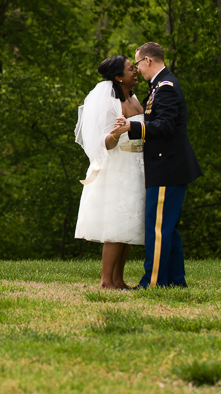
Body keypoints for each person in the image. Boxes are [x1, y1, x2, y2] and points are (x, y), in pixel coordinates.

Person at [111, 42, 201, 288]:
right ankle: (174, 281)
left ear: (148, 61)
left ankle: (153, 283)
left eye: (138, 63)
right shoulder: (159, 86)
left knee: (158, 229)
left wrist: (133, 127)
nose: (137, 69)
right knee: (167, 229)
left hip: (167, 167)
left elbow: (165, 126)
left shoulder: (166, 87)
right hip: (167, 167)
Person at [74, 55, 146, 290]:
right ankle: (106, 281)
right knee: (116, 225)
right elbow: (103, 142)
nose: (135, 71)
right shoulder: (109, 101)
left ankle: (119, 280)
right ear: (118, 77)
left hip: (137, 164)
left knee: (127, 224)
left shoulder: (133, 97)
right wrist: (114, 134)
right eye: (129, 69)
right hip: (117, 167)